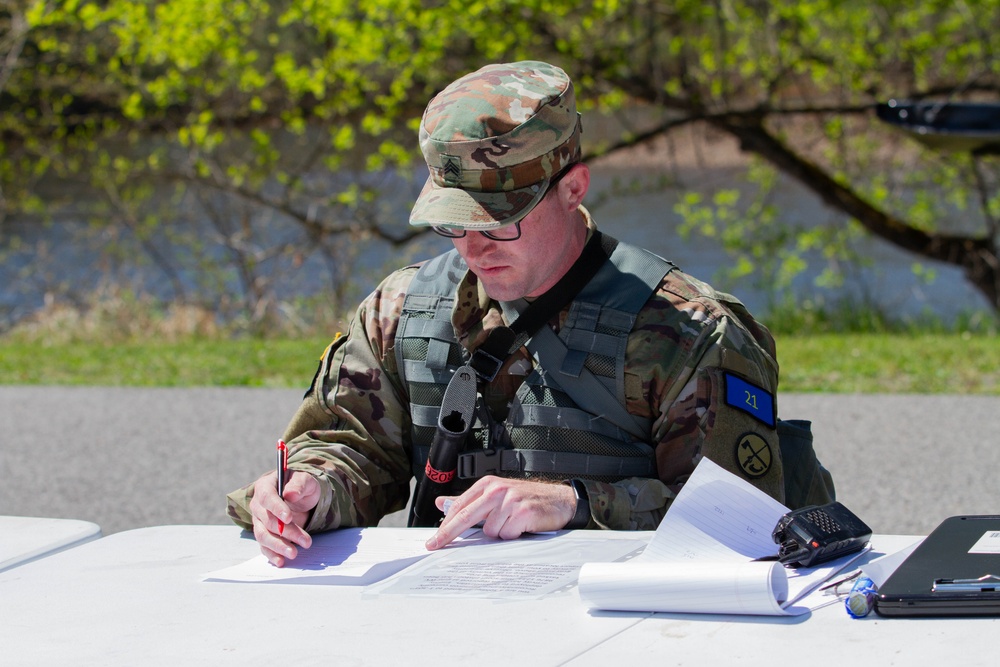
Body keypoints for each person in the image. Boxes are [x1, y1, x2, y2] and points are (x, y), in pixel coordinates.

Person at [227, 60, 796, 567]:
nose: (473, 249)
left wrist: (573, 503)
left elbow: (744, 521)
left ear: (573, 188)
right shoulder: (398, 312)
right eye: (454, 223)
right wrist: (309, 489)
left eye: (500, 222)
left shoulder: (689, 332)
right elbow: (350, 448)